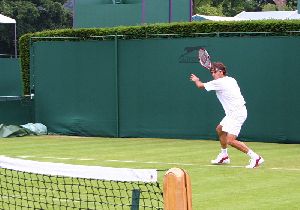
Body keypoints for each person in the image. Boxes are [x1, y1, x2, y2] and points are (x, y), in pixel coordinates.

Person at [189, 62, 264, 168]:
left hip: (237, 113)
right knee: (220, 129)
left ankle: (256, 158)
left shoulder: (220, 82)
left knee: (231, 140)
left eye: (214, 72)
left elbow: (200, 86)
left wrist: (196, 80)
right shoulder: (231, 79)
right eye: (211, 72)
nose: (213, 74)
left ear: (221, 72)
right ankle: (224, 156)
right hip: (233, 113)